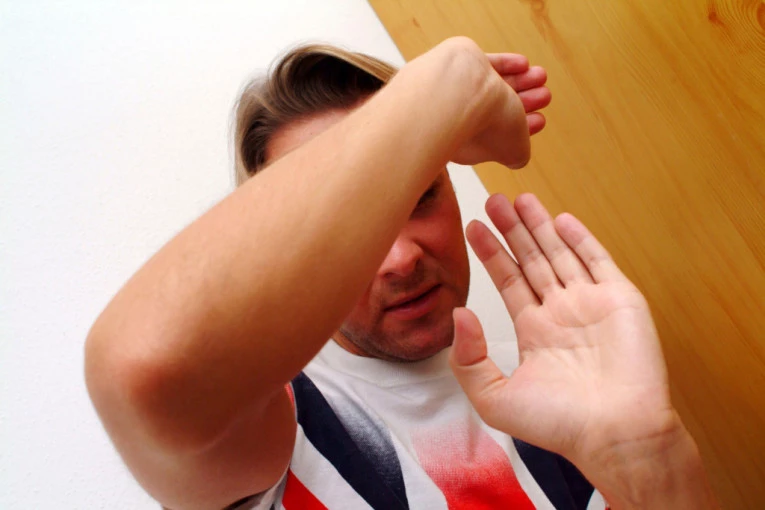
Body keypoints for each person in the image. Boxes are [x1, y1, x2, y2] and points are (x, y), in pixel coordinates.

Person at [85, 37, 718, 509]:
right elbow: (142, 371)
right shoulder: (268, 431)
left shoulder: (555, 387)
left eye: (419, 196)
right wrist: (448, 83)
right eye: (349, 231)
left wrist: (647, 453)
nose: (401, 257)